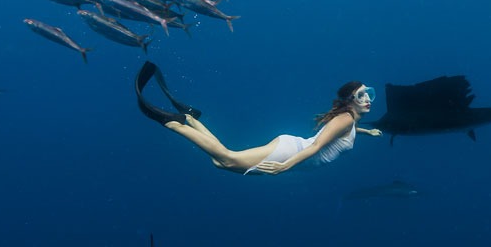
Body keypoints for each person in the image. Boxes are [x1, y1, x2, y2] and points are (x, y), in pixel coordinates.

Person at [135, 62, 382, 174]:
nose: (367, 99)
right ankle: (172, 122)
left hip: (292, 148)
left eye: (369, 93)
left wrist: (368, 132)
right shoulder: (346, 119)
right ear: (350, 100)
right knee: (229, 159)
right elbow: (318, 145)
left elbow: (341, 134)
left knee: (220, 163)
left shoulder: (350, 121)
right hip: (291, 153)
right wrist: (285, 166)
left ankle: (191, 119)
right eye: (361, 95)